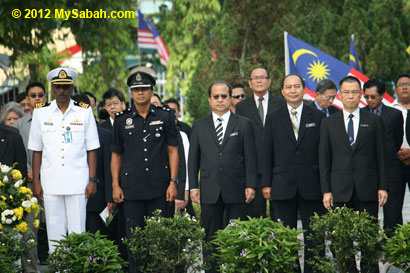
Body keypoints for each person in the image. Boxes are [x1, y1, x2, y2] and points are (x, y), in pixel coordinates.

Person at [111, 71, 179, 273]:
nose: (140, 93)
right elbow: (116, 154)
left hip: (159, 188)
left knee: (159, 240)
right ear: (131, 94)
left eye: (144, 89)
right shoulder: (122, 120)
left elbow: (173, 150)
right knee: (136, 242)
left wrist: (173, 181)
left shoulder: (165, 116)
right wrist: (115, 184)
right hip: (132, 190)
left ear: (151, 91)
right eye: (136, 90)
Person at [319, 75, 387, 273]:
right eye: (346, 92)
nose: (351, 96)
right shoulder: (329, 123)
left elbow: (381, 157)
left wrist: (383, 186)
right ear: (340, 95)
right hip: (339, 188)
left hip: (368, 187)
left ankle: (370, 269)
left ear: (361, 95)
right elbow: (324, 159)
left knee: (368, 236)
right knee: (342, 239)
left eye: (355, 92)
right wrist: (326, 190)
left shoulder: (374, 121)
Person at [28, 67, 100, 253]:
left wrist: (92, 180)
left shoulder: (84, 112)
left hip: (78, 182)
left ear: (72, 88)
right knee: (55, 233)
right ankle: (59, 268)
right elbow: (37, 150)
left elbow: (92, 148)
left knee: (78, 232)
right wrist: (36, 181)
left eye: (65, 87)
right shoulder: (41, 113)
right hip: (50, 182)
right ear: (52, 88)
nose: (62, 91)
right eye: (58, 87)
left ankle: (77, 268)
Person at [188, 81, 257, 273]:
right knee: (210, 238)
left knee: (237, 237)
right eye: (216, 97)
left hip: (236, 189)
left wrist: (251, 184)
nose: (220, 100)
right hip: (210, 190)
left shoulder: (243, 124)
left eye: (224, 96)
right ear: (210, 100)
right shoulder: (199, 125)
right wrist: (193, 186)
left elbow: (251, 158)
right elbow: (192, 160)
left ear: (230, 99)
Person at [262, 74, 326, 273]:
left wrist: (326, 187)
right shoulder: (273, 117)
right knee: (284, 236)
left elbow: (323, 153)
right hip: (282, 184)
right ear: (282, 92)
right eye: (288, 87)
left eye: (296, 86)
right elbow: (266, 152)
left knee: (314, 235)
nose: (292, 90)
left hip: (312, 184)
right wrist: (266, 184)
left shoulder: (317, 116)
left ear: (303, 89)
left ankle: (314, 270)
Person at [235, 67, 285, 218]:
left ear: (269, 81)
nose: (259, 80)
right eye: (255, 78)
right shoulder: (242, 107)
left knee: (280, 214)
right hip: (254, 168)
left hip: (277, 167)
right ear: (250, 83)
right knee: (256, 214)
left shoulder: (281, 103)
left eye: (262, 77)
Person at [14, 81, 48, 271]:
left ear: (46, 97)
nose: (37, 99)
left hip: (53, 182)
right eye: (33, 96)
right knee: (30, 232)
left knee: (56, 227)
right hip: (29, 185)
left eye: (40, 95)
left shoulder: (54, 120)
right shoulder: (19, 125)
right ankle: (31, 269)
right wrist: (31, 173)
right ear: (27, 99)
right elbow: (18, 153)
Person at [363, 79, 403, 236]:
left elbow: (397, 139)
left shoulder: (394, 114)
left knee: (392, 210)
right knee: (368, 210)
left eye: (373, 96)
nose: (370, 100)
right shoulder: (361, 113)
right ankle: (371, 242)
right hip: (368, 170)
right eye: (367, 97)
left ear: (382, 96)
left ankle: (391, 242)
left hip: (390, 168)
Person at [72, 93, 115, 236]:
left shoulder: (105, 135)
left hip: (97, 200)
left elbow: (109, 169)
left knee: (97, 239)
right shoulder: (64, 134)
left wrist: (110, 197)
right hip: (71, 196)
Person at [391, 73, 410, 188]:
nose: (404, 87)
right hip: (395, 163)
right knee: (393, 204)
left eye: (408, 84)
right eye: (401, 85)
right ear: (395, 90)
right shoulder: (388, 110)